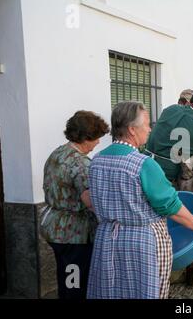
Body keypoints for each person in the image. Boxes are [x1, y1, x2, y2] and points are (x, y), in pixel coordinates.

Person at [87, 101, 193, 299]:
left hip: (107, 239)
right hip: (141, 242)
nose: (150, 129)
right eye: (146, 124)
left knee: (112, 289)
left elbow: (92, 200)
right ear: (132, 129)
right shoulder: (144, 164)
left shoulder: (97, 160)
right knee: (143, 291)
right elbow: (171, 205)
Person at [41, 110, 110, 299]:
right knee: (75, 285)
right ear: (85, 137)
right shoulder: (81, 164)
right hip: (73, 234)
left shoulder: (58, 153)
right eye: (96, 138)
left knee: (67, 279)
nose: (97, 143)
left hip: (54, 226)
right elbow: (90, 201)